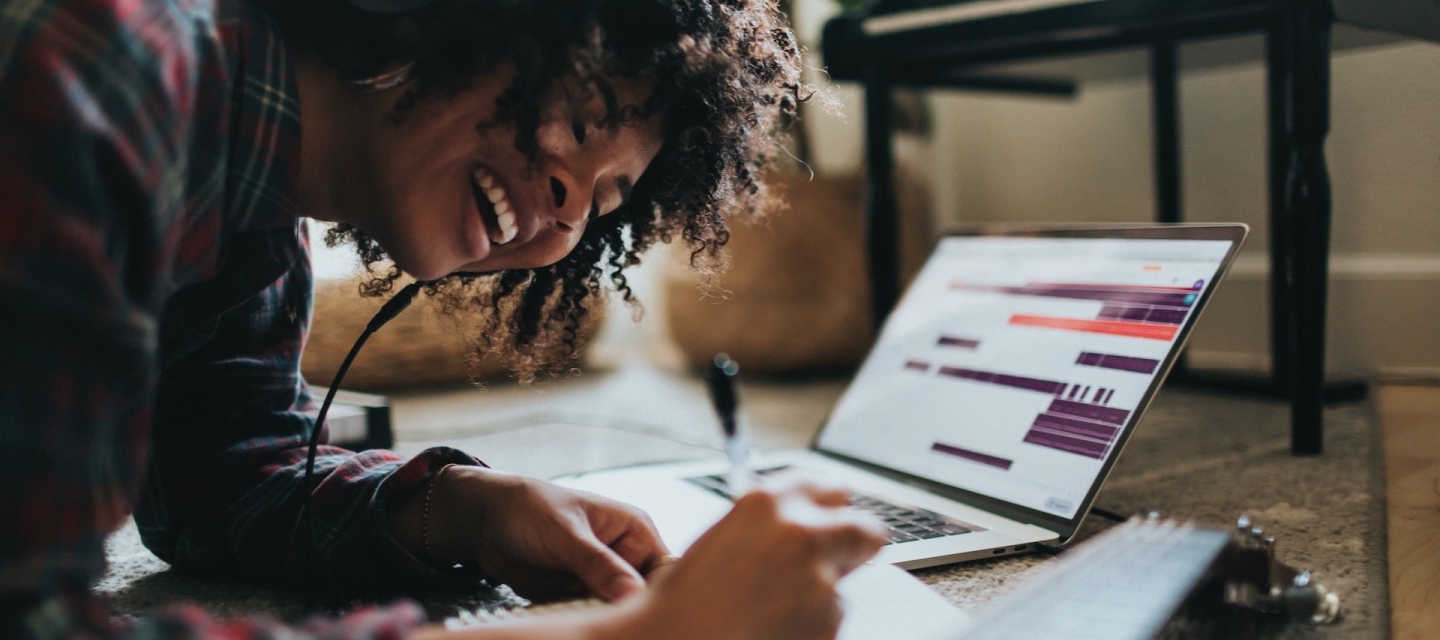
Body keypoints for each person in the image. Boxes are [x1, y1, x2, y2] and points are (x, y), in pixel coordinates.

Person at [0, 0, 887, 638]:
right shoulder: (109, 68)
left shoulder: (253, 207)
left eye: (605, 206)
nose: (568, 211)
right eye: (579, 118)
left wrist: (460, 511)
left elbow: (214, 482)